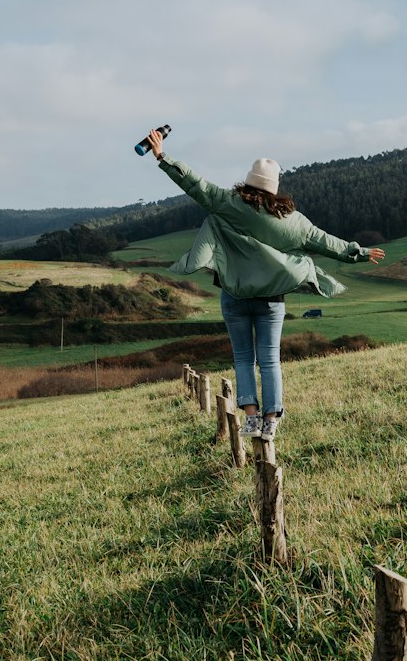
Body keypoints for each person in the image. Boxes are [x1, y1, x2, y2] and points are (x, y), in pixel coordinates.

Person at [143, 129, 385, 442]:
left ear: (248, 181)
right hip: (272, 300)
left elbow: (195, 184)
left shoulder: (229, 204)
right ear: (275, 188)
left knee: (243, 358)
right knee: (270, 360)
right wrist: (361, 253)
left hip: (235, 296)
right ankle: (271, 421)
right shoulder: (294, 222)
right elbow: (329, 244)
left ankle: (252, 418)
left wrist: (163, 156)